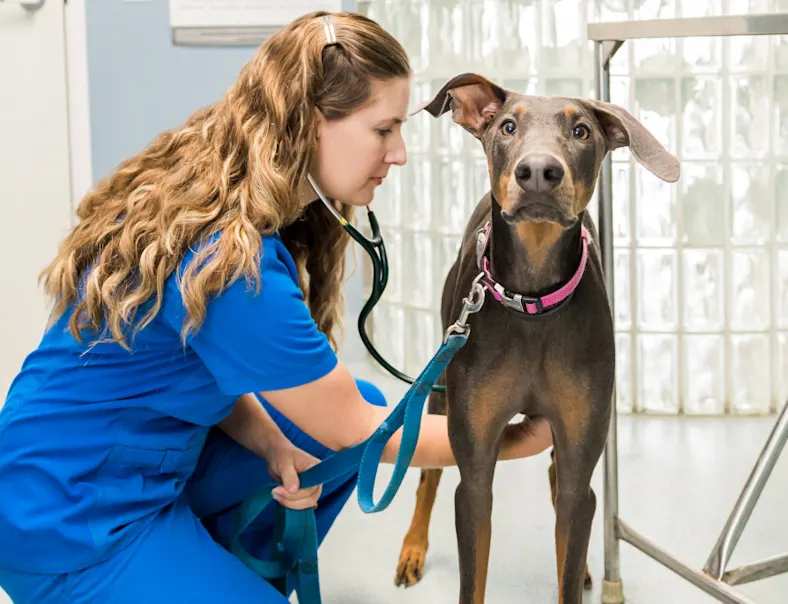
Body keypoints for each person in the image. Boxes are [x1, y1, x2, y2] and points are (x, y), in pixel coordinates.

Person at [0, 10, 553, 603]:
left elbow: (202, 365)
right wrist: (523, 437)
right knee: (354, 423)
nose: (400, 154)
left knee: (342, 412)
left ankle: (208, 572)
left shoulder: (230, 202)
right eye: (384, 129)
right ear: (313, 124)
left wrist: (271, 443)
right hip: (69, 523)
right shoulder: (236, 270)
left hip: (114, 464)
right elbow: (360, 432)